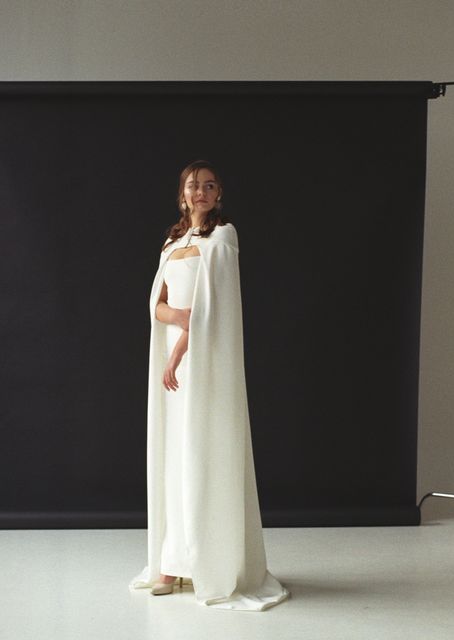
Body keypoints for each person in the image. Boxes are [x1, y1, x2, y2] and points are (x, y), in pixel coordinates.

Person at [129, 160, 290, 611]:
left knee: (202, 451)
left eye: (208, 185)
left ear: (219, 194)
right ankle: (170, 562)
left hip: (204, 364)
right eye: (192, 185)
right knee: (174, 454)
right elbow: (156, 305)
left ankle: (207, 561)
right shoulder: (172, 241)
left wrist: (179, 351)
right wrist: (176, 321)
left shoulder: (223, 237)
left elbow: (213, 306)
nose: (200, 192)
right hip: (171, 366)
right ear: (182, 194)